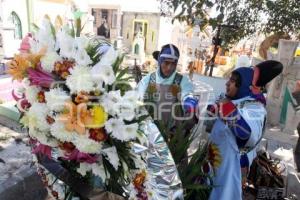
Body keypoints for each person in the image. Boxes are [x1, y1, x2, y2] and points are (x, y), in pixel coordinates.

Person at [206, 60, 283, 200]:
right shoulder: (232, 100)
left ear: (244, 85)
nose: (227, 83)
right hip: (216, 163)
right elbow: (210, 113)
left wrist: (226, 108)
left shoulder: (255, 108)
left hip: (232, 168)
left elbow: (246, 135)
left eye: (233, 81)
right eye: (229, 79)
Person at [137, 44, 199, 135]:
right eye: (166, 63)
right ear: (160, 62)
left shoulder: (182, 81)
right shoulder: (148, 80)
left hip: (173, 136)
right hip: (150, 134)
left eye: (173, 64)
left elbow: (187, 93)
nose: (169, 67)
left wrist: (189, 101)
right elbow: (137, 97)